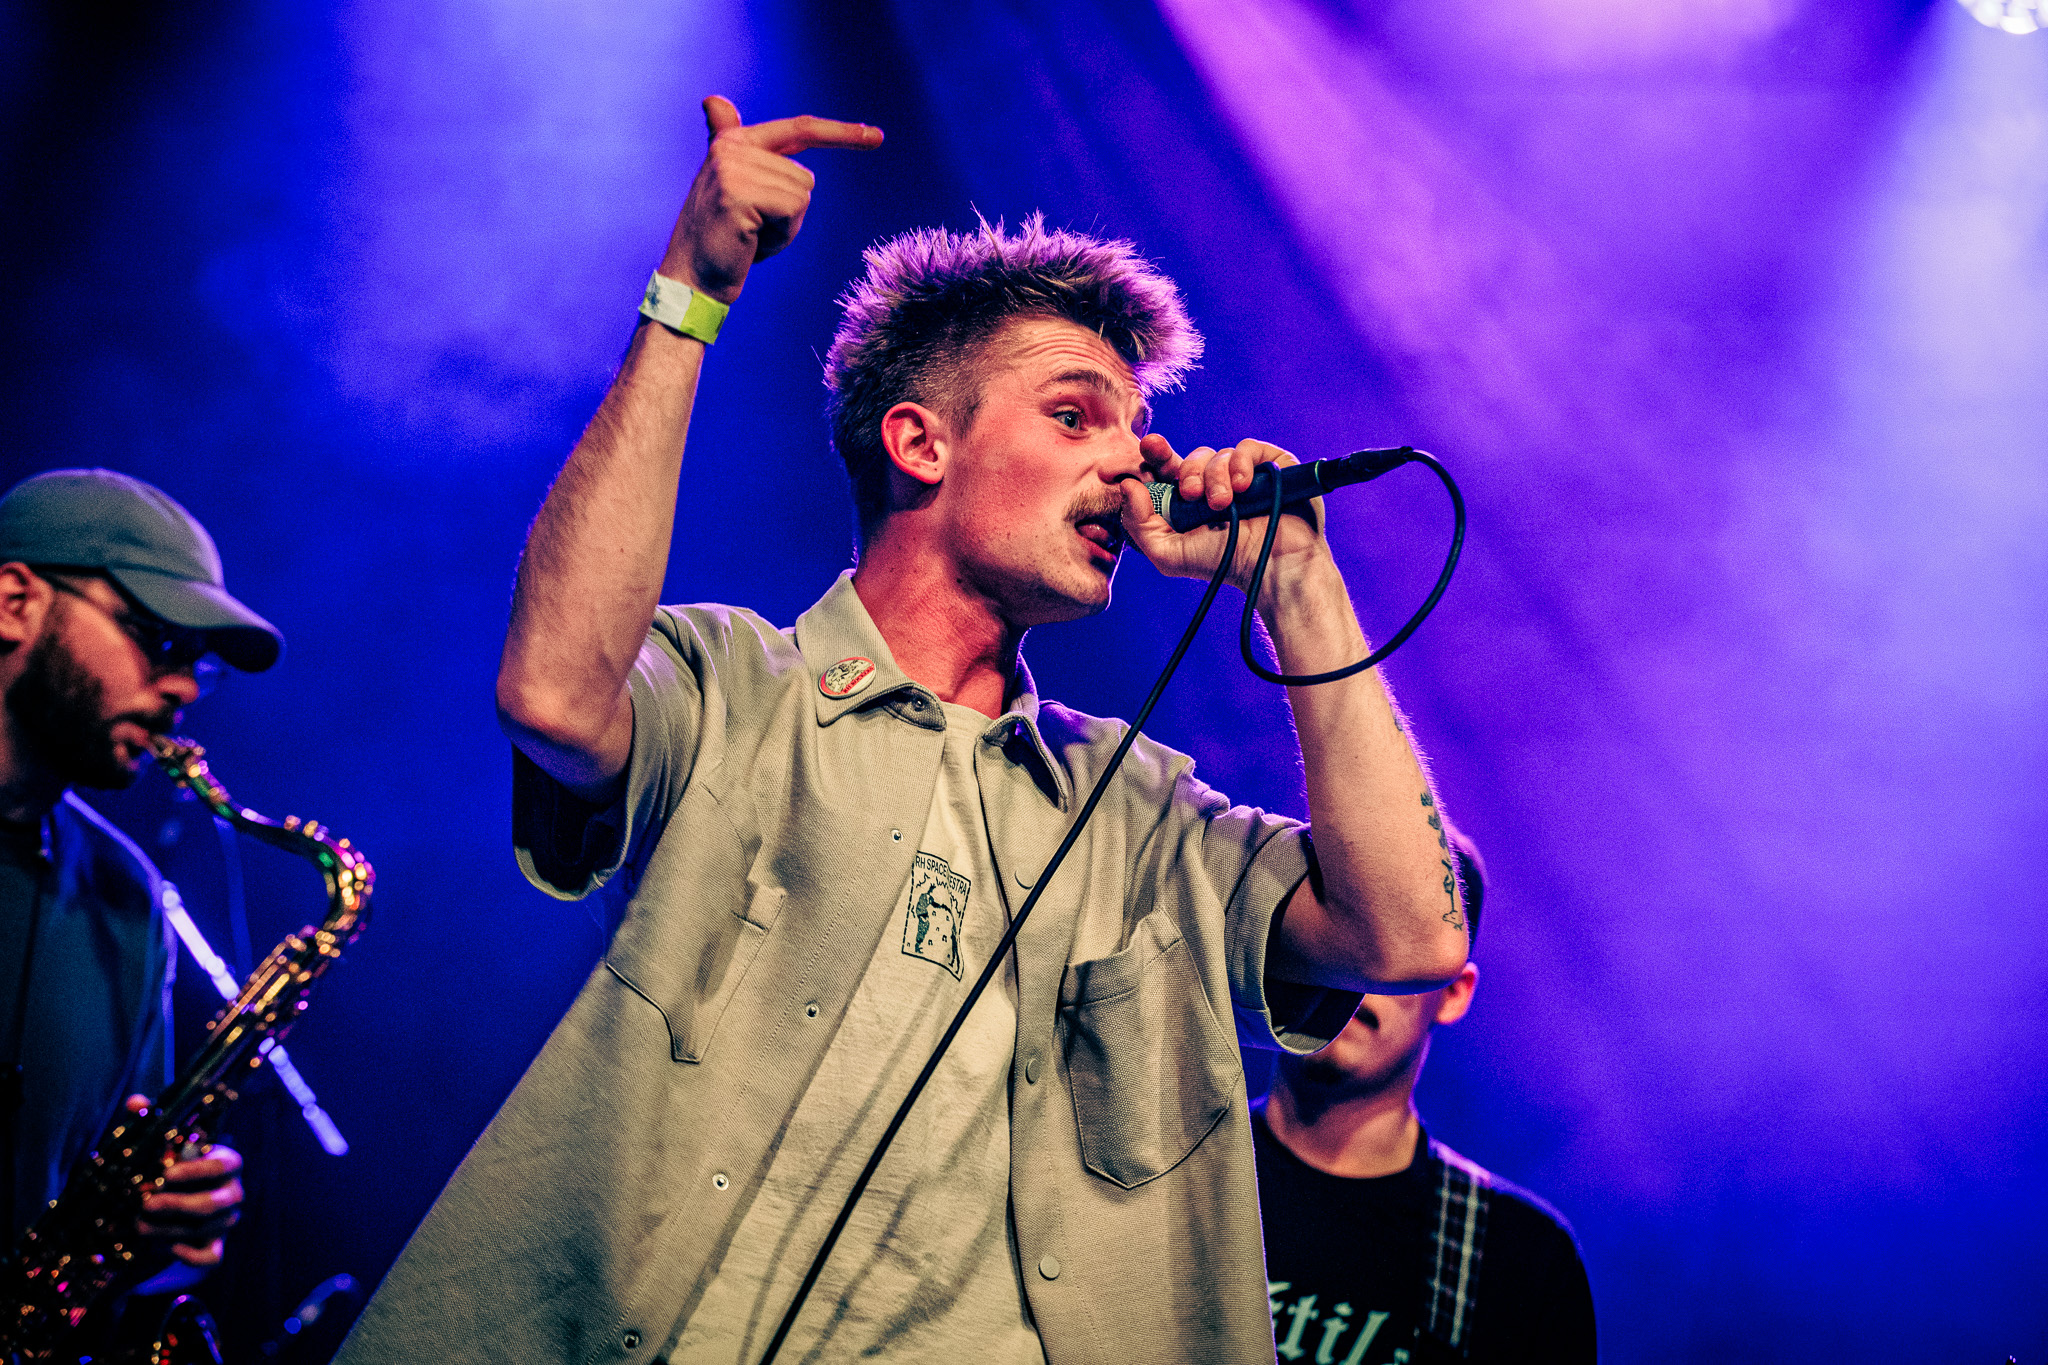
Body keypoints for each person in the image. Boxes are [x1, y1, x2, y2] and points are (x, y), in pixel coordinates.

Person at [338, 95, 1471, 1365]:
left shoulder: (1141, 812)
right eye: (1074, 415)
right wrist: (687, 298)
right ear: (920, 443)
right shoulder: (737, 689)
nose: (1133, 463)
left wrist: (1297, 585)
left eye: (1129, 424)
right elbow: (554, 694)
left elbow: (1407, 937)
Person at [0, 468, 282, 1273]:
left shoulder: (130, 900)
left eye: (199, 660)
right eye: (157, 636)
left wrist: (157, 1235)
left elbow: (88, 1238)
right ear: (15, 602)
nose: (185, 686)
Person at [1255, 834, 1597, 1364]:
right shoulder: (1168, 1164)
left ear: (1454, 994)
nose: (1355, 970)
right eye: (1334, 925)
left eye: (1397, 944)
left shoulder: (1523, 1261)